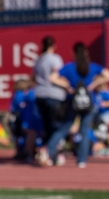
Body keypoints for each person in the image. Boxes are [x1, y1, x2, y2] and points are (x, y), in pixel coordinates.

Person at [46, 42, 109, 168]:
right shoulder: (92, 67)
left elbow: (52, 78)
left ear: (73, 53)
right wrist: (94, 84)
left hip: (73, 102)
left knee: (64, 128)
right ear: (86, 53)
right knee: (84, 131)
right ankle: (82, 160)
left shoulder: (69, 67)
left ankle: (49, 152)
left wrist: (67, 87)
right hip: (89, 103)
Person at [32, 36, 69, 166]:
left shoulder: (38, 59)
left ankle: (47, 152)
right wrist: (67, 86)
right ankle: (50, 152)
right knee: (57, 126)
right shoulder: (55, 58)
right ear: (54, 45)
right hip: (54, 95)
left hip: (39, 94)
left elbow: (34, 77)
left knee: (47, 126)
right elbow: (56, 76)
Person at [94, 83, 109, 156]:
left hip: (105, 115)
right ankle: (102, 147)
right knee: (100, 132)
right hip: (98, 115)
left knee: (107, 131)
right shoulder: (96, 93)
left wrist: (104, 104)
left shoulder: (105, 92)